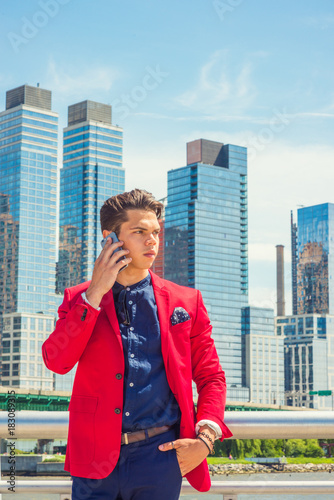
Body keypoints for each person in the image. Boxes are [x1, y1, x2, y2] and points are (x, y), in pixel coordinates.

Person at [42, 189, 232, 500]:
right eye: (139, 231)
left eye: (155, 231)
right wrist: (95, 295)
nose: (152, 241)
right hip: (94, 462)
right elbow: (56, 361)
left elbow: (212, 377)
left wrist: (206, 438)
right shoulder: (79, 299)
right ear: (110, 238)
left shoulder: (187, 301)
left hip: (161, 457)